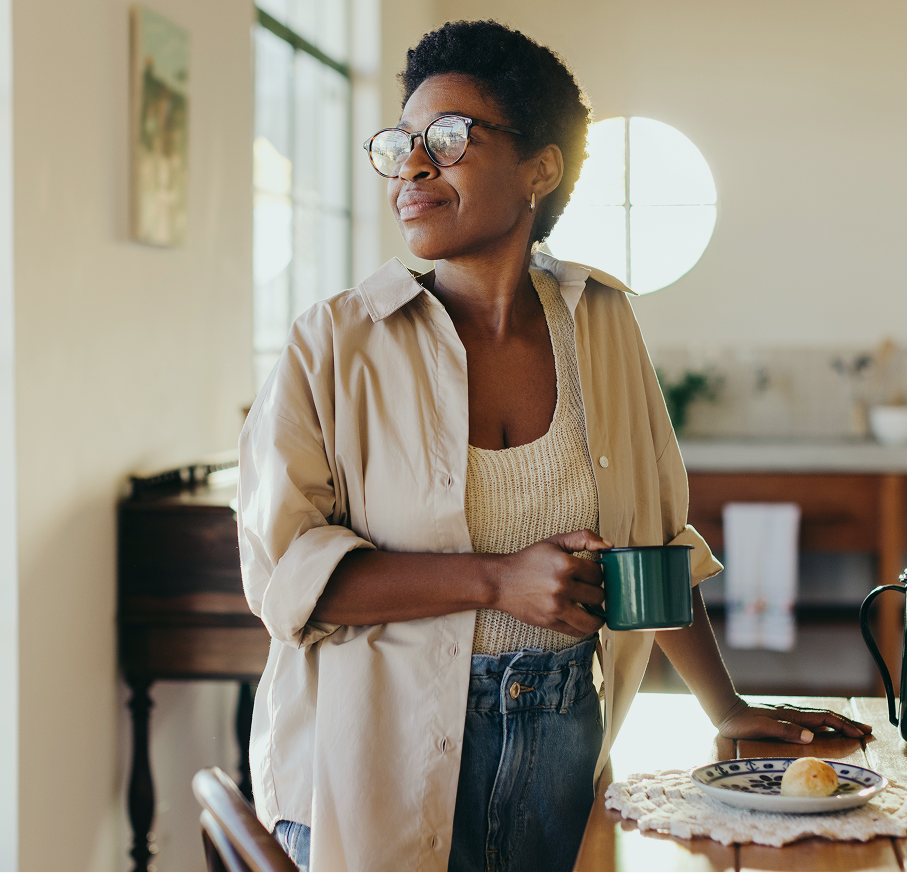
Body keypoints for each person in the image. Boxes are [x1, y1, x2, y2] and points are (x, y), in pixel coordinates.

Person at [238, 19, 870, 873]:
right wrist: (499, 579)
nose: (415, 165)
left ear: (539, 168)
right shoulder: (336, 341)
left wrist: (725, 705)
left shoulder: (601, 323)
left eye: (451, 138)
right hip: (371, 755)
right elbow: (287, 577)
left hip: (564, 740)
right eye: (403, 143)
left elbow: (652, 543)